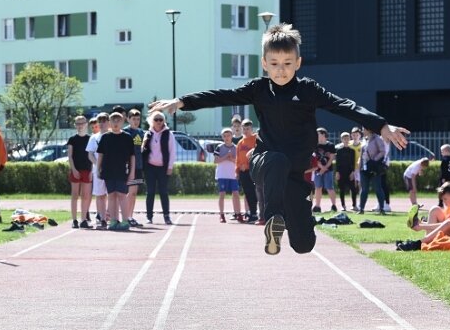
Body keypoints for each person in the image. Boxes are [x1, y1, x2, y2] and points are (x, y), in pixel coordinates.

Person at [149, 23, 409, 255]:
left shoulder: (308, 90)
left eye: (287, 64)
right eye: (274, 64)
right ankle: (273, 219)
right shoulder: (259, 89)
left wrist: (381, 125)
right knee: (277, 160)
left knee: (304, 245)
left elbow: (343, 105)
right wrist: (183, 101)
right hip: (265, 162)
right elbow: (222, 95)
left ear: (298, 63)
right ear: (264, 63)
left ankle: (289, 222)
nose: (281, 70)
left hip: (295, 174)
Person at [401, 181, 450, 251]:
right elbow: (442, 226)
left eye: (445, 199)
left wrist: (422, 226)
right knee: (435, 209)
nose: (444, 202)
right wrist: (421, 224)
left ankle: (418, 244)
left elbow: (447, 225)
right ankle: (425, 243)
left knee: (448, 223)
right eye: (443, 199)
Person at [97, 112, 135, 231]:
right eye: (113, 120)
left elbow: (132, 156)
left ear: (123, 122)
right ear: (109, 122)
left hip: (122, 170)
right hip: (108, 170)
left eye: (118, 120)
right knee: (111, 195)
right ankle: (113, 220)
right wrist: (98, 168)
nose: (116, 123)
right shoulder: (105, 137)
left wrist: (132, 172)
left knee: (122, 195)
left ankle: (125, 220)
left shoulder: (127, 137)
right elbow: (100, 155)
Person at [141, 111, 176, 225]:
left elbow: (172, 151)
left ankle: (166, 216)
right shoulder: (148, 134)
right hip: (150, 167)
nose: (158, 122)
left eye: (161, 119)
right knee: (150, 192)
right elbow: (143, 150)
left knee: (163, 192)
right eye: (156, 119)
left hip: (163, 168)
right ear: (152, 121)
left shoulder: (168, 134)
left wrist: (170, 167)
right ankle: (149, 216)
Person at [67, 115, 93, 229]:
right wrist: (73, 169)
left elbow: (92, 155)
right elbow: (70, 156)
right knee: (74, 195)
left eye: (82, 123)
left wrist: (92, 170)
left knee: (86, 196)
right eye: (77, 123)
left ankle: (83, 219)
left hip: (87, 169)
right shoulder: (72, 139)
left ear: (86, 124)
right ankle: (74, 220)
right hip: (76, 170)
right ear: (75, 125)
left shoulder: (90, 138)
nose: (80, 125)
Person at [86, 112, 110, 229]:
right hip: (98, 170)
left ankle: (111, 216)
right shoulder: (94, 137)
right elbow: (90, 154)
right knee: (100, 195)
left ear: (108, 122)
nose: (101, 123)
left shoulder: (113, 135)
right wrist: (98, 165)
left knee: (112, 194)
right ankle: (102, 217)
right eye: (99, 121)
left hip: (112, 170)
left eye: (104, 121)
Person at [358, 127, 388, 215]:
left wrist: (374, 160)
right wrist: (359, 167)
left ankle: (382, 208)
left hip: (374, 167)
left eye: (364, 129)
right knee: (364, 189)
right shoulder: (364, 140)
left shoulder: (377, 139)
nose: (363, 131)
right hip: (364, 168)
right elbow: (362, 154)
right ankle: (361, 209)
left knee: (378, 188)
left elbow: (383, 151)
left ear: (369, 130)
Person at [214, 127, 242, 223]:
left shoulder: (236, 147)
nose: (226, 138)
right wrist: (226, 156)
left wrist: (231, 159)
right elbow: (215, 160)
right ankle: (221, 215)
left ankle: (238, 214)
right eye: (224, 136)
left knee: (236, 195)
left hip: (232, 175)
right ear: (222, 137)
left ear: (232, 136)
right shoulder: (219, 147)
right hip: (222, 174)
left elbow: (237, 161)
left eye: (228, 136)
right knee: (222, 194)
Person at [124, 108, 146, 227]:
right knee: (130, 191)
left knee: (134, 193)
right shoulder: (125, 132)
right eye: (133, 119)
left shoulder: (141, 133)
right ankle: (126, 216)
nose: (136, 121)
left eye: (138, 119)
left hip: (139, 165)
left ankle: (130, 216)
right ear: (128, 119)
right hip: (128, 166)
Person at [235, 119, 259, 222]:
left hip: (253, 170)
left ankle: (256, 213)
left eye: (247, 129)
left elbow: (257, 154)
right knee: (248, 193)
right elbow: (238, 158)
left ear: (251, 129)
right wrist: (237, 170)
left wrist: (248, 164)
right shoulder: (240, 142)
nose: (245, 131)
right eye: (244, 129)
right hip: (243, 171)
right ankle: (252, 213)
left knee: (255, 192)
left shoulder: (255, 139)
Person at [312, 127, 337, 213]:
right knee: (318, 187)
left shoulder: (330, 145)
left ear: (323, 134)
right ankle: (317, 206)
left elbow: (331, 159)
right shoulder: (315, 145)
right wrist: (321, 168)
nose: (316, 136)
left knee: (329, 187)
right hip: (317, 170)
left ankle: (334, 206)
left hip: (328, 170)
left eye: (318, 134)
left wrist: (325, 168)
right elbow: (315, 159)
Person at [334, 131, 357, 212]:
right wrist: (337, 172)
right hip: (341, 172)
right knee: (342, 189)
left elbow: (353, 163)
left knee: (353, 189)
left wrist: (353, 172)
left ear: (349, 139)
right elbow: (337, 163)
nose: (346, 140)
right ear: (341, 139)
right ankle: (343, 206)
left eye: (347, 138)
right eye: (344, 138)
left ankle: (354, 205)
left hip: (350, 172)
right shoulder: (339, 151)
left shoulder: (352, 151)